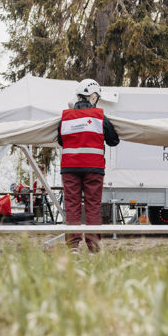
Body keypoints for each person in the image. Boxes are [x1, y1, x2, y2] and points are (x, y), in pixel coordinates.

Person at [57, 79, 120, 253]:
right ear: (92, 96)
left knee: (72, 205)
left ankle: (73, 247)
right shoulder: (100, 116)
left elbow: (61, 140)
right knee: (93, 205)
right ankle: (94, 248)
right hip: (94, 168)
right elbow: (114, 140)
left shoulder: (65, 116)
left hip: (70, 168)